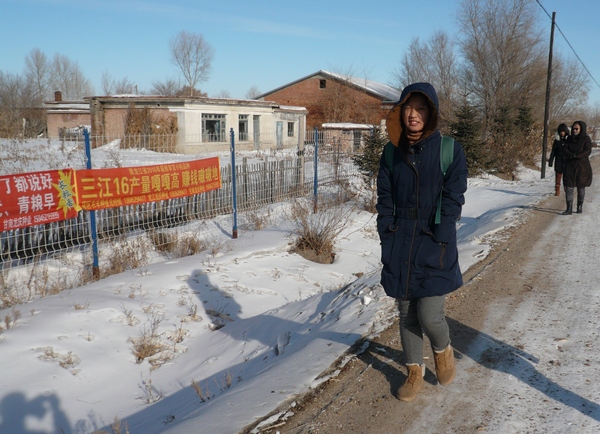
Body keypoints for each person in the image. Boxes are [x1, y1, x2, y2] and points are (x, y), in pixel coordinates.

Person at [376, 82, 468, 401]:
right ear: (400, 112)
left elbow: (454, 195)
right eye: (408, 108)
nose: (413, 115)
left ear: (432, 113)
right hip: (400, 239)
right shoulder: (391, 152)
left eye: (421, 108)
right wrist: (386, 230)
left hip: (433, 238)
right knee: (406, 314)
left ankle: (442, 350)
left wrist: (442, 231)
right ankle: (415, 370)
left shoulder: (449, 149)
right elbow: (384, 198)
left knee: (429, 314)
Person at [561, 121, 593, 215]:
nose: (574, 130)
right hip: (570, 165)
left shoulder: (586, 139)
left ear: (581, 129)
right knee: (569, 187)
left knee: (581, 186)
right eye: (573, 128)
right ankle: (569, 208)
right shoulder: (569, 138)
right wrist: (571, 155)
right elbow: (565, 149)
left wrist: (578, 155)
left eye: (576, 129)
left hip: (582, 166)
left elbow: (587, 150)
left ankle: (579, 206)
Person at [548, 123, 570, 196]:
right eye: (561, 131)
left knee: (566, 176)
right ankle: (557, 190)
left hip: (567, 161)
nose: (562, 133)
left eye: (563, 131)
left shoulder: (569, 140)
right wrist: (550, 161)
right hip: (558, 161)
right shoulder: (556, 141)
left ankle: (567, 189)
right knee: (558, 176)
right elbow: (553, 151)